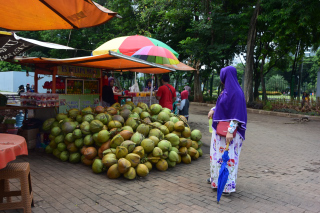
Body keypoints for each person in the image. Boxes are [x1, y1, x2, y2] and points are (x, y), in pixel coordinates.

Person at [207, 66, 247, 195]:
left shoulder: (237, 93)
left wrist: (230, 130)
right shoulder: (227, 91)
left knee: (228, 158)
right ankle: (217, 180)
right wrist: (214, 109)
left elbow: (237, 112)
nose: (221, 79)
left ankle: (227, 186)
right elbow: (223, 105)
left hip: (230, 134)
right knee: (217, 157)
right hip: (220, 132)